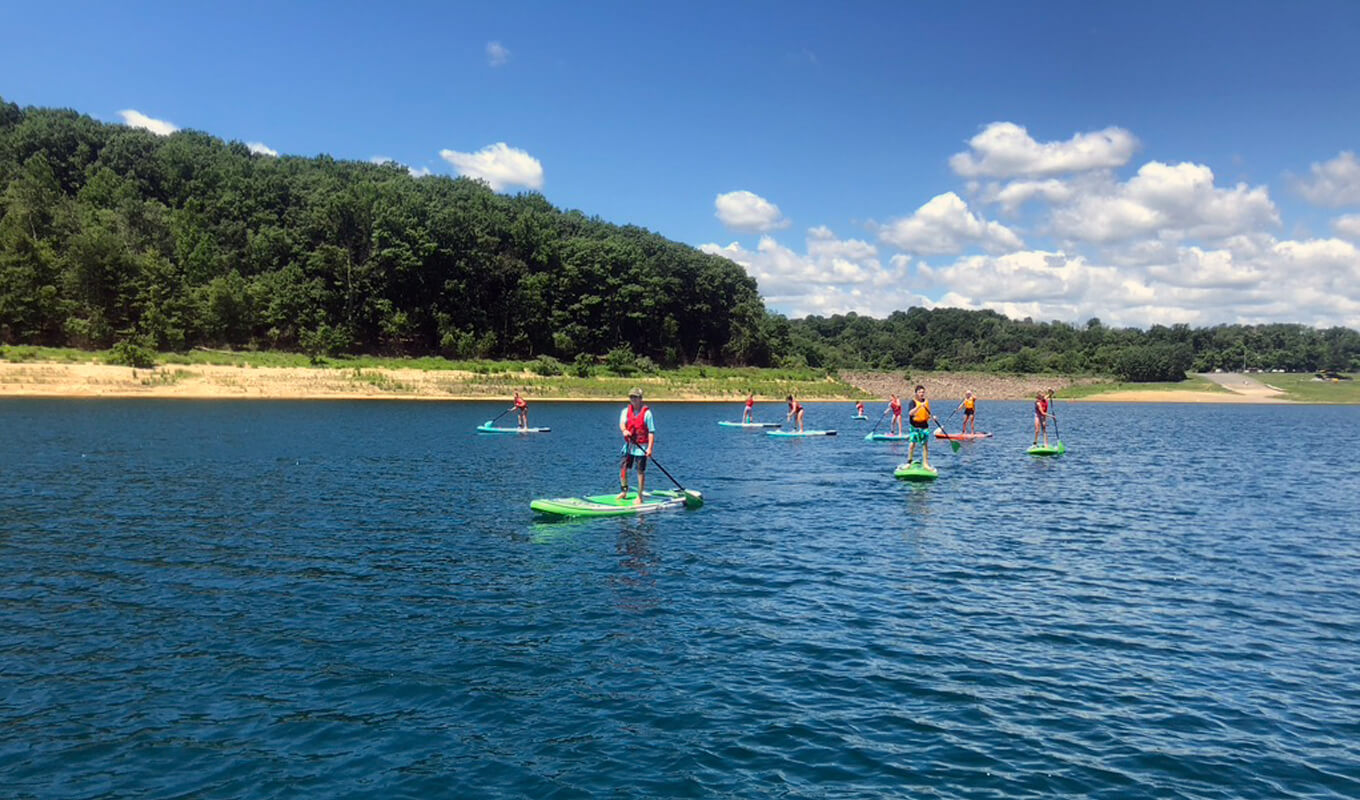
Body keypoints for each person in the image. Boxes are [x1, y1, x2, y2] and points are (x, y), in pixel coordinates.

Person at [618, 387, 655, 504]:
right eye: (631, 397)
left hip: (642, 448)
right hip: (629, 446)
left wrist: (649, 449)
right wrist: (624, 430)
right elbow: (622, 424)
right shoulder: (625, 411)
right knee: (623, 468)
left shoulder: (647, 413)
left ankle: (639, 496)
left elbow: (651, 432)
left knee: (640, 471)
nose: (633, 399)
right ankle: (624, 491)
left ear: (640, 399)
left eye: (635, 397)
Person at [905, 384, 939, 469]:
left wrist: (933, 418)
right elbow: (910, 413)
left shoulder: (926, 402)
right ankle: (909, 462)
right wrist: (919, 406)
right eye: (920, 392)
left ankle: (925, 463)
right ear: (916, 393)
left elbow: (927, 415)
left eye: (923, 392)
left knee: (925, 445)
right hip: (915, 427)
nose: (922, 394)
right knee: (912, 444)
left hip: (924, 426)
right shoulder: (912, 402)